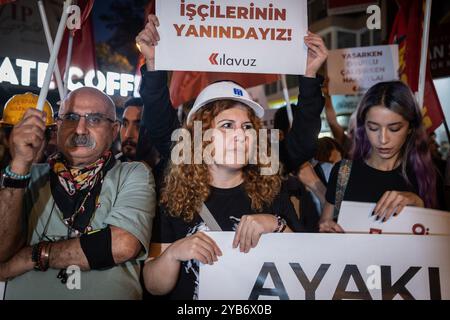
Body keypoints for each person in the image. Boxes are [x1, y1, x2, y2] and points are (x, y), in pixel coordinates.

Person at [137, 14, 328, 299]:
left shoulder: (271, 186)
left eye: (248, 127)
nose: (241, 134)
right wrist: (174, 253)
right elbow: (152, 285)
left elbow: (305, 272)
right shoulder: (172, 195)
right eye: (226, 125)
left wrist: (275, 224)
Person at [0, 87, 156, 299]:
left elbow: (122, 245)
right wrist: (19, 164)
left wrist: (33, 255)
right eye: (71, 117)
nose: (80, 129)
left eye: (95, 119)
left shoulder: (133, 173)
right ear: (58, 125)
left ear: (114, 130)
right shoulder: (26, 177)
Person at [319, 81, 437, 232]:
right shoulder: (343, 173)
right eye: (373, 128)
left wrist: (418, 205)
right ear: (363, 126)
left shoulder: (427, 176)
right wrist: (325, 229)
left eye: (394, 129)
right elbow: (324, 226)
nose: (383, 139)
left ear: (410, 128)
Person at [0, 92, 58, 169]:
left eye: (36, 135)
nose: (29, 142)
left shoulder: (58, 174)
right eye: (22, 135)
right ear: (5, 139)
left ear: (48, 140)